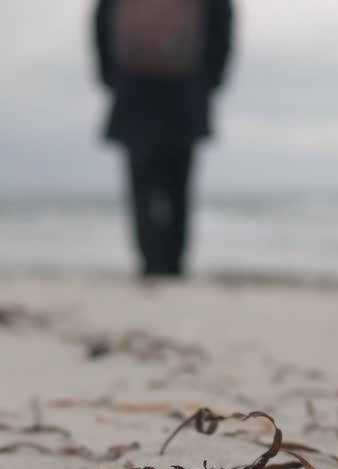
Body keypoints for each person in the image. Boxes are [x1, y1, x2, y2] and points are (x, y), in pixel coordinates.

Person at [94, 0, 234, 277]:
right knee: (179, 188)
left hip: (134, 88)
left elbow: (100, 24)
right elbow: (223, 26)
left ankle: (149, 263)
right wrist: (210, 80)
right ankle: (173, 264)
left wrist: (112, 77)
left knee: (141, 186)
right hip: (185, 89)